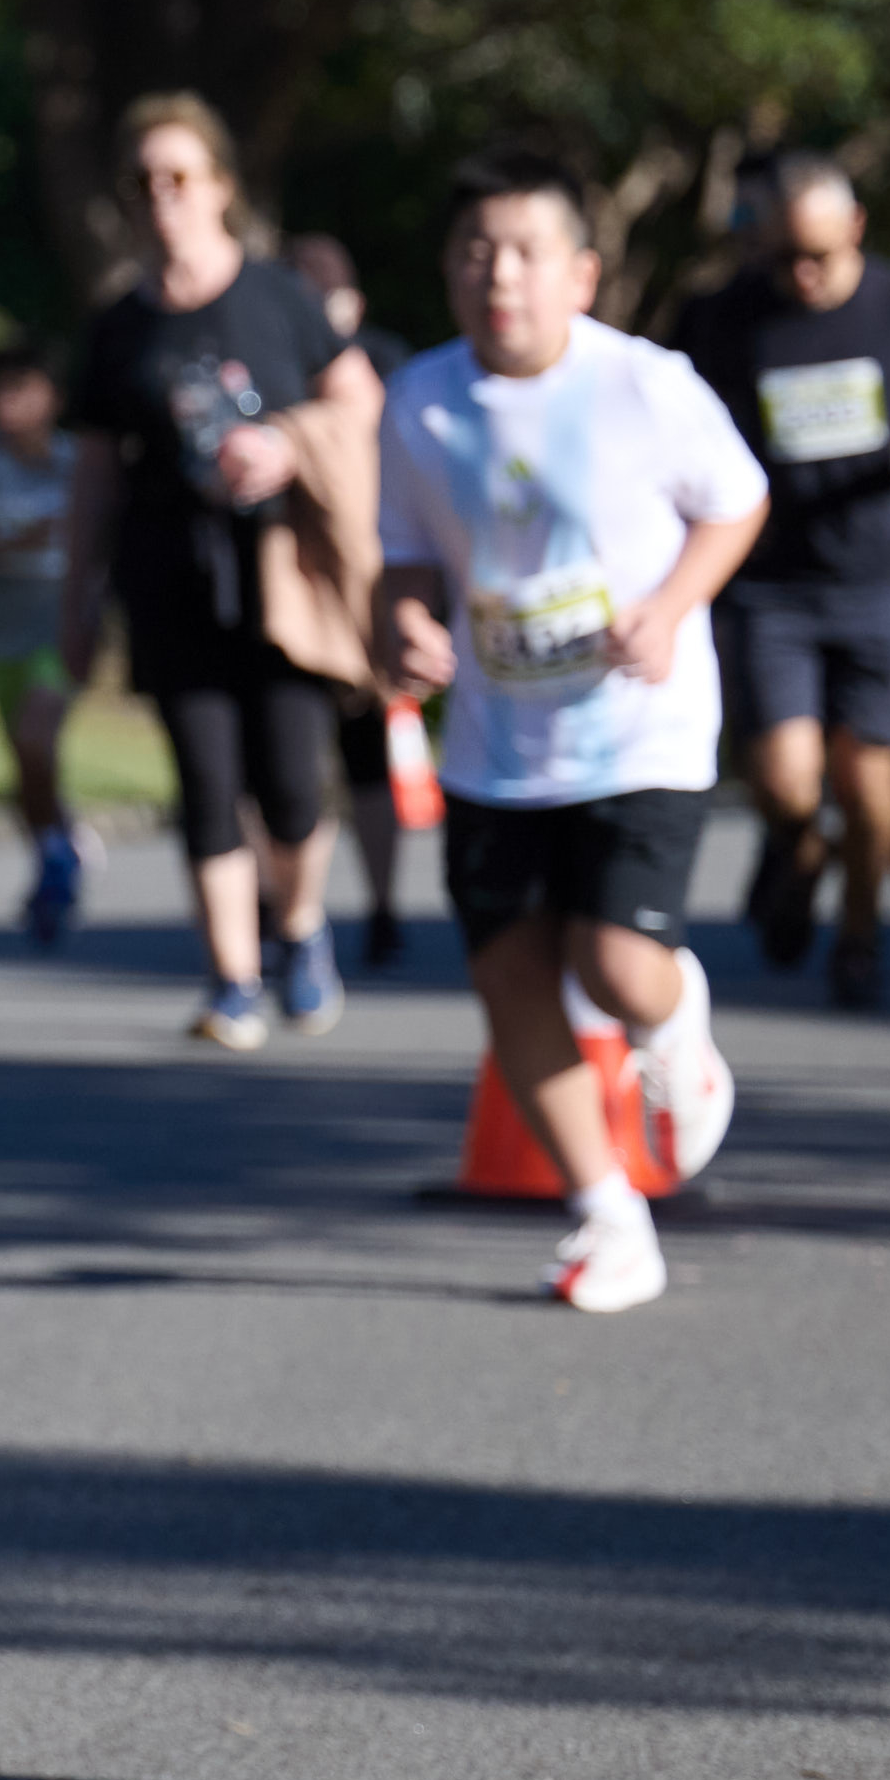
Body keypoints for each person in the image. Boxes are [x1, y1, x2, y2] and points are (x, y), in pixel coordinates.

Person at [372, 151, 765, 1316]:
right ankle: (608, 1215)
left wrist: (671, 601)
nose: (498, 274)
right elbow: (403, 552)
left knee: (613, 962)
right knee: (509, 983)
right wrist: (399, 622)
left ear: (579, 272)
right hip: (497, 741)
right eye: (473, 252)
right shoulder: (419, 400)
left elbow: (733, 500)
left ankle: (672, 1021)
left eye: (525, 250)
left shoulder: (643, 384)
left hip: (639, 727)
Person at [69, 95, 384, 1050]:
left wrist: (287, 448)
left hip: (280, 574)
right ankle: (231, 977)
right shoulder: (119, 327)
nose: (161, 197)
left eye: (178, 177)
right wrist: (76, 598)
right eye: (143, 183)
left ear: (219, 188)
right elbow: (91, 472)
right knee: (206, 780)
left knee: (291, 784)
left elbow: (358, 395)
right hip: (169, 574)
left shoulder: (276, 295)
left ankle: (297, 925)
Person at [670, 155, 890, 1012]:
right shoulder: (726, 313)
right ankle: (798, 856)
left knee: (868, 780)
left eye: (819, 256)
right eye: (783, 256)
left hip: (876, 579)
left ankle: (859, 936)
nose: (800, 273)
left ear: (856, 230)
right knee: (785, 781)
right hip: (770, 585)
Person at [282, 233, 419, 970]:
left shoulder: (382, 362)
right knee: (287, 757)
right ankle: (289, 913)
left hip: (362, 576)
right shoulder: (270, 358)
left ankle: (382, 904)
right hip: (289, 585)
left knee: (365, 750)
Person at [0, 343, 90, 943]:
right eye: (1, 392)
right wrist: (12, 542)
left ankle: (60, 853)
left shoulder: (79, 461)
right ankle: (55, 854)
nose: (10, 404)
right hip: (0, 622)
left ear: (51, 399)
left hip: (62, 620)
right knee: (27, 764)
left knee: (39, 736)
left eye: (23, 390)